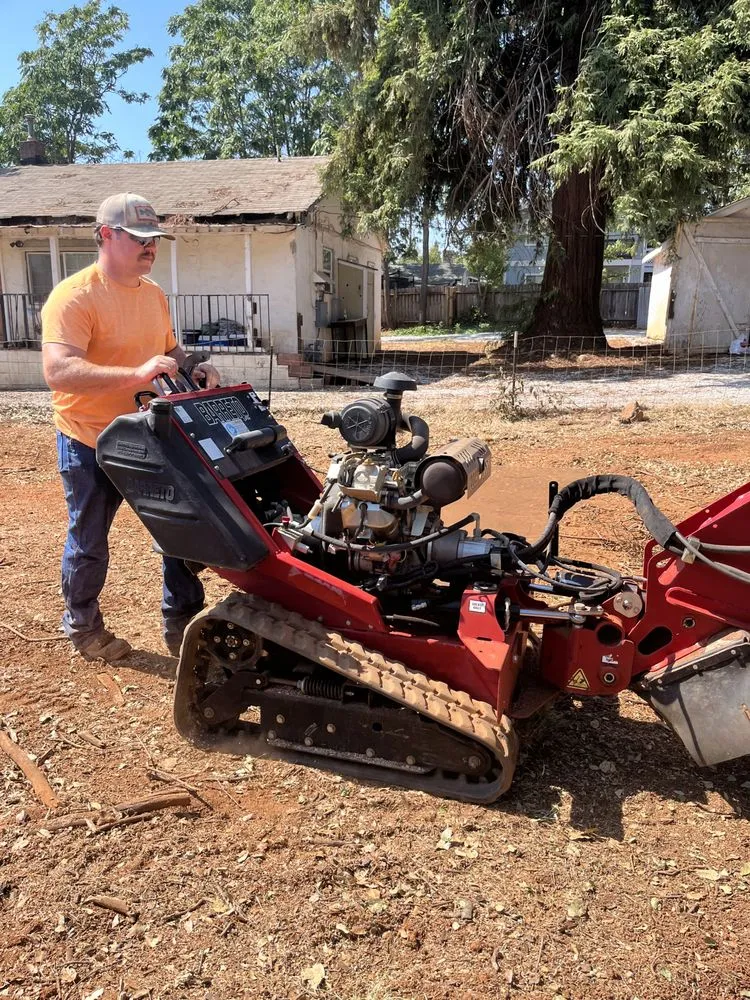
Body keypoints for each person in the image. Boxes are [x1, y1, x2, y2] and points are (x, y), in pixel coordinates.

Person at [41, 192, 221, 663]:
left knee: (181, 529)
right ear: (106, 235)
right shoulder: (74, 296)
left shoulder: (153, 294)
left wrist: (194, 365)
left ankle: (182, 622)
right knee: (89, 541)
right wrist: (137, 375)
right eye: (140, 238)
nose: (150, 247)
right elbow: (58, 371)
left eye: (153, 238)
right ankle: (83, 626)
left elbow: (170, 350)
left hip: (146, 433)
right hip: (89, 437)